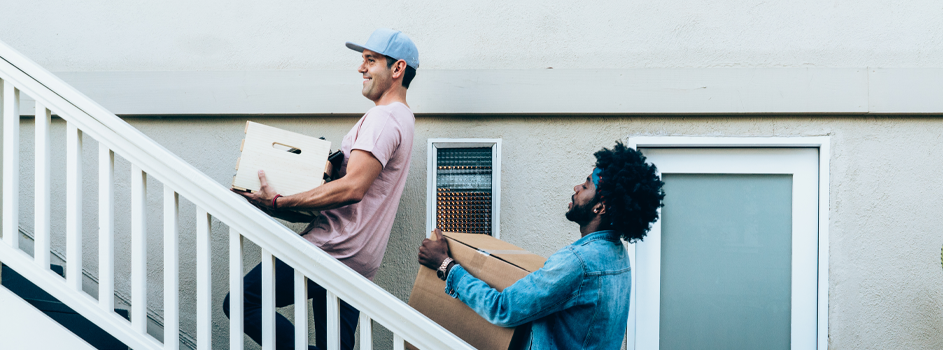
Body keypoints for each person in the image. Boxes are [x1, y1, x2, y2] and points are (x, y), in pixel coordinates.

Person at [224, 28, 419, 350]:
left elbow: (353, 188)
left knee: (244, 302)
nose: (361, 68)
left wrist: (279, 201)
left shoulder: (383, 118)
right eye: (362, 60)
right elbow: (355, 187)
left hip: (334, 249)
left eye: (371, 61)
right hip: (359, 256)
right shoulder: (403, 119)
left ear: (397, 69)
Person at [418, 142, 666, 350]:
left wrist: (446, 265)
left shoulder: (578, 263)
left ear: (600, 207)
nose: (576, 188)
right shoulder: (618, 257)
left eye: (587, 184)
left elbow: (503, 309)